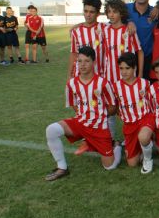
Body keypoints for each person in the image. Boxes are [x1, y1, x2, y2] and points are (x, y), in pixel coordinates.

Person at [44, 46, 119, 181]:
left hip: (99, 128)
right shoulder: (71, 84)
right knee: (51, 130)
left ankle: (116, 146)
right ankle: (62, 167)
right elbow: (73, 103)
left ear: (94, 62)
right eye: (79, 61)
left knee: (109, 167)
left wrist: (99, 115)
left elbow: (113, 107)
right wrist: (83, 114)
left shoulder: (103, 83)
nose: (82, 65)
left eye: (86, 61)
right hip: (80, 123)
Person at [112, 52, 155, 171]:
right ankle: (142, 147)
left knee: (143, 136)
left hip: (145, 119)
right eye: (121, 68)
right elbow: (115, 106)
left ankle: (148, 159)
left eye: (127, 68)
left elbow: (152, 103)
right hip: (129, 126)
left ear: (134, 68)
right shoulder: (116, 87)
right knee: (132, 163)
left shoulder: (144, 83)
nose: (124, 71)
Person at [103, 0, 143, 83]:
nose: (111, 15)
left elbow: (140, 52)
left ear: (121, 13)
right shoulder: (105, 30)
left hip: (129, 78)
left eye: (115, 12)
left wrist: (140, 74)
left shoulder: (129, 30)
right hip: (110, 77)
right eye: (109, 11)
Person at [68, 0, 106, 81]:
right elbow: (74, 54)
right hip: (81, 77)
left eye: (92, 12)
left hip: (99, 76)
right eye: (86, 11)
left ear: (98, 14)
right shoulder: (76, 31)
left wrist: (130, 22)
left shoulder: (105, 28)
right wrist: (69, 75)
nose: (88, 15)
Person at [126, 0, 155, 79]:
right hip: (127, 61)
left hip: (147, 60)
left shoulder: (154, 13)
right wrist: (129, 21)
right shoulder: (125, 9)